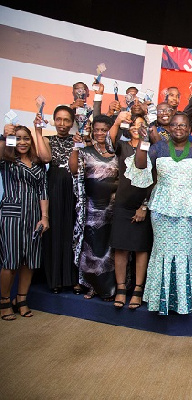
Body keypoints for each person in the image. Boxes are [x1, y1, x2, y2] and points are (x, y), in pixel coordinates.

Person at [128, 112, 192, 315]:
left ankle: (185, 299)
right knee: (163, 251)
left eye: (183, 125)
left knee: (186, 252)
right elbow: (141, 165)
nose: (179, 128)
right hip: (162, 207)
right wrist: (143, 141)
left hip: (191, 209)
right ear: (169, 128)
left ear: (189, 129)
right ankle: (160, 298)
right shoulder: (159, 147)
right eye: (175, 125)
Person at [0, 125, 49, 320]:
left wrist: (44, 217)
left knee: (30, 261)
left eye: (26, 138)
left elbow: (43, 191)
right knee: (10, 261)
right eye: (18, 138)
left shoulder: (38, 164)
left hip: (34, 217)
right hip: (11, 215)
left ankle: (21, 299)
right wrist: (6, 136)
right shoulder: (7, 161)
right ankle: (4, 301)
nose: (22, 142)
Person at [69, 115, 119, 300]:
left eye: (103, 130)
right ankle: (91, 285)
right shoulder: (85, 150)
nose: (99, 133)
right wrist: (75, 147)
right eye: (96, 129)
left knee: (110, 248)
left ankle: (109, 288)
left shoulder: (116, 153)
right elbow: (74, 170)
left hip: (113, 209)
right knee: (92, 247)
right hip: (91, 208)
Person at [34, 106, 82, 294]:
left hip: (73, 190)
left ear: (72, 123)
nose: (62, 124)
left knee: (71, 233)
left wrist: (78, 145)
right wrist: (37, 130)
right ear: (54, 121)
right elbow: (46, 158)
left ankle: (72, 278)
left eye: (66, 120)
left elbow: (76, 168)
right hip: (53, 189)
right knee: (54, 234)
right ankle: (55, 280)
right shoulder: (47, 139)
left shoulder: (77, 141)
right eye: (59, 120)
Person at [109, 116, 153, 309]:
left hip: (142, 205)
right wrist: (118, 122)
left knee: (140, 248)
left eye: (142, 125)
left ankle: (137, 289)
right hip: (122, 204)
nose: (137, 127)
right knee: (121, 247)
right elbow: (109, 141)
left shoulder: (153, 149)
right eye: (134, 124)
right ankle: (120, 288)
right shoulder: (122, 146)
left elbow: (156, 178)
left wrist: (144, 205)